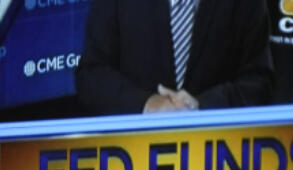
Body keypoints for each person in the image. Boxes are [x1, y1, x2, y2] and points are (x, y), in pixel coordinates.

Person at [75, 0, 274, 115]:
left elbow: (259, 83)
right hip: (133, 157)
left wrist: (202, 106)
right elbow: (91, 75)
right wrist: (146, 104)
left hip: (215, 158)